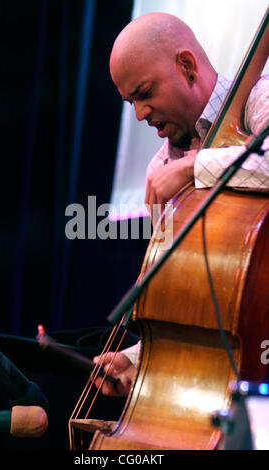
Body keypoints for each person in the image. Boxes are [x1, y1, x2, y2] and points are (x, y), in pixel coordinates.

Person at [93, 12, 269, 397]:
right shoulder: (163, 168)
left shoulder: (259, 98)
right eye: (130, 103)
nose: (139, 114)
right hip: (229, 382)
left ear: (186, 67)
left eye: (144, 93)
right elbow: (191, 300)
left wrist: (194, 167)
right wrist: (139, 360)